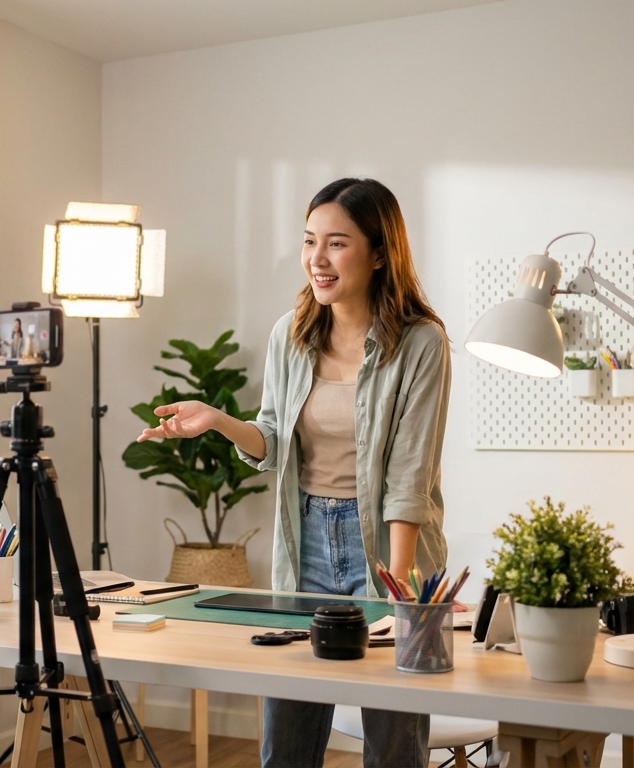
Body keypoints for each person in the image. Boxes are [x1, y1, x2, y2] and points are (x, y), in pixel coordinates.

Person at [136, 178, 451, 767]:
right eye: (310, 241)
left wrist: (398, 590)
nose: (317, 259)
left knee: (394, 740)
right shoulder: (292, 334)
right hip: (304, 542)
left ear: (380, 253)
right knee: (287, 735)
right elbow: (274, 441)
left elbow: (411, 473)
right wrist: (216, 420)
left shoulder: (421, 343)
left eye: (337, 243)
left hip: (387, 549)